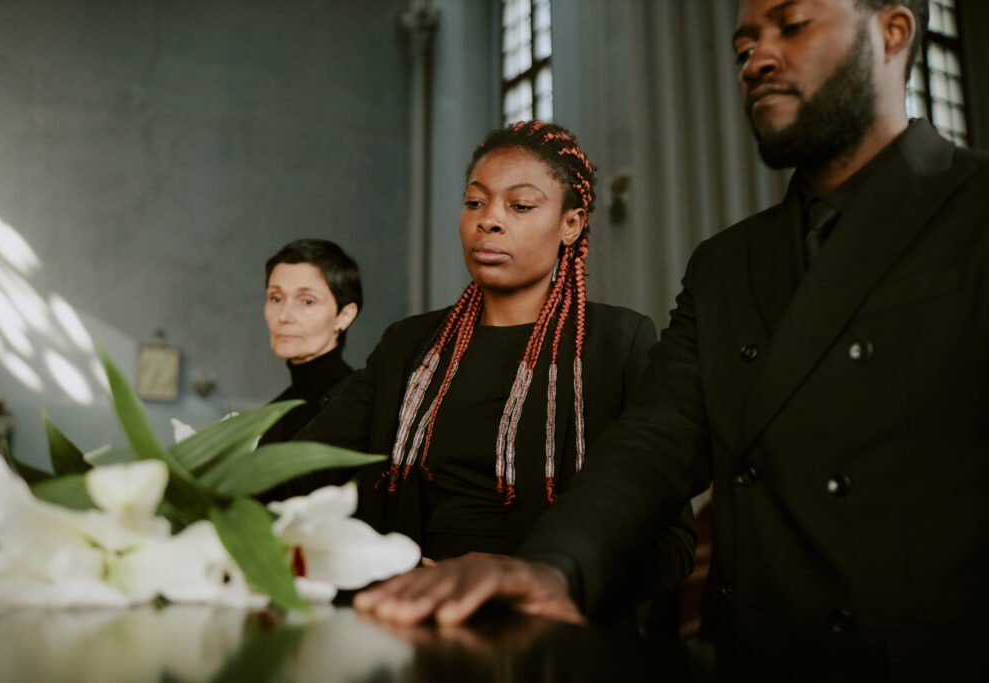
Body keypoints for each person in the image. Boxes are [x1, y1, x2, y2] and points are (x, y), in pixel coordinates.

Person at [354, 0, 989, 678]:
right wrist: (550, 569)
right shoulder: (726, 264)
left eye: (792, 25)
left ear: (892, 34)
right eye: (745, 45)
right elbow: (652, 446)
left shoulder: (975, 206)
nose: (758, 59)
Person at [298, 121, 696, 627]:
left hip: (552, 639)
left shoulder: (618, 342)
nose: (489, 221)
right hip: (411, 622)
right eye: (474, 203)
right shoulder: (409, 347)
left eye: (520, 206)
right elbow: (301, 469)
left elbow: (674, 542)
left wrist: (532, 575)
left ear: (571, 224)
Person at [257, 239, 362, 446]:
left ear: (344, 316)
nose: (284, 316)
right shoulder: (268, 417)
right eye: (276, 298)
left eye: (307, 301)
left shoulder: (363, 403)